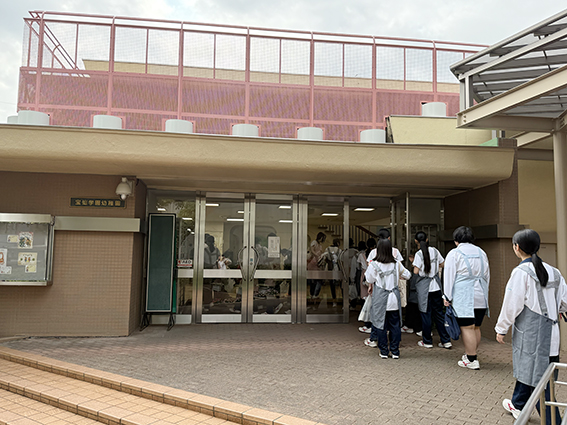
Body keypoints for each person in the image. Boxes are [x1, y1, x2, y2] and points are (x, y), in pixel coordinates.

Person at [495, 229, 567, 423]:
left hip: (532, 337)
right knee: (539, 376)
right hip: (552, 336)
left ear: (517, 247)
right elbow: (565, 301)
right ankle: (517, 404)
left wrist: (501, 328)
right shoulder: (554, 271)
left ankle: (553, 421)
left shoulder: (521, 272)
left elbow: (512, 304)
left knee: (540, 386)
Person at [443, 226, 490, 370]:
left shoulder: (454, 253)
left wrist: (447, 296)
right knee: (476, 327)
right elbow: (487, 275)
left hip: (464, 295)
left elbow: (449, 276)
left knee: (467, 327)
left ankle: (471, 359)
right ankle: (470, 354)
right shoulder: (481, 252)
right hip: (481, 294)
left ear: (456, 240)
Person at [364, 236, 411, 359]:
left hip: (380, 299)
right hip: (394, 299)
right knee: (395, 325)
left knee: (380, 325)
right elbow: (408, 275)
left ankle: (384, 351)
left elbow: (369, 279)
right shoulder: (396, 264)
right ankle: (395, 351)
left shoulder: (374, 265)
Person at [413, 231, 451, 349]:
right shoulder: (434, 251)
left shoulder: (419, 254)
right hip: (436, 287)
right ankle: (446, 340)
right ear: (427, 239)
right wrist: (434, 267)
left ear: (416, 241)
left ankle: (427, 341)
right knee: (439, 314)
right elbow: (443, 263)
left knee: (426, 314)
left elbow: (416, 271)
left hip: (424, 288)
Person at [358, 238, 376, 334]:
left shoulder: (362, 255)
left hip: (365, 276)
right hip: (374, 278)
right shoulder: (376, 254)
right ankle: (372, 324)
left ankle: (367, 323)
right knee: (373, 302)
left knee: (366, 300)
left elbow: (359, 267)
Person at [402, 252, 422, 334]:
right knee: (413, 308)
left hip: (415, 291)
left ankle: (415, 327)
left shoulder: (417, 270)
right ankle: (411, 326)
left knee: (414, 308)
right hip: (418, 291)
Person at [307, 232, 326, 301]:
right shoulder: (314, 243)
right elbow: (312, 250)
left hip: (317, 262)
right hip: (313, 262)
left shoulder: (319, 244)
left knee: (316, 280)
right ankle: (313, 294)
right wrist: (317, 255)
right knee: (315, 280)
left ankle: (314, 294)